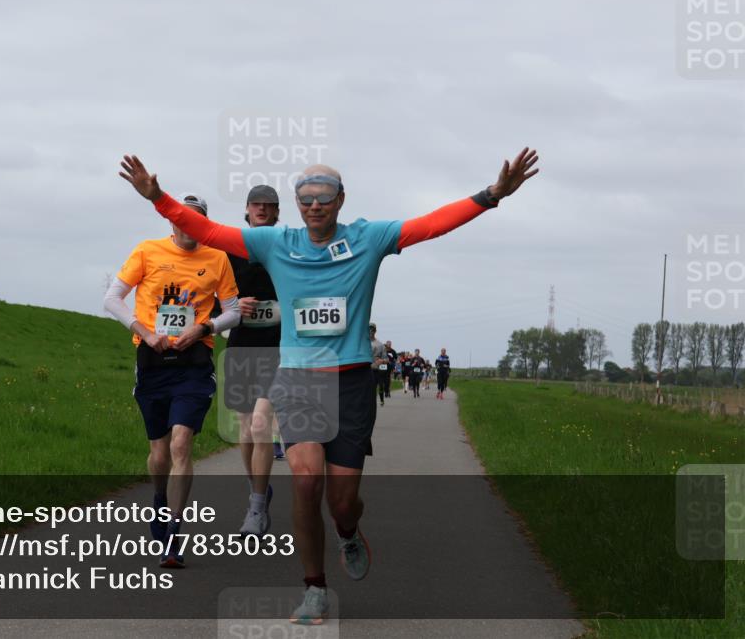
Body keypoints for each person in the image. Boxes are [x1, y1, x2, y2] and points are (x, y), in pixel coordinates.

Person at [118, 146, 540, 622]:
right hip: (298, 380)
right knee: (304, 481)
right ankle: (314, 587)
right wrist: (158, 198)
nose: (314, 204)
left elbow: (431, 224)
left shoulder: (371, 237)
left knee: (342, 502)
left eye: (324, 196)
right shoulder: (277, 242)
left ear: (341, 200)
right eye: (305, 197)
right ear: (297, 203)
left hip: (353, 380)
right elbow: (209, 231)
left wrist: (492, 195)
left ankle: (346, 530)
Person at [102, 194, 241, 568]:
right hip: (152, 360)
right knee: (160, 452)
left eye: (196, 221)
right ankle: (160, 499)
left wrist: (204, 326)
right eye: (182, 219)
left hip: (194, 363)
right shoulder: (148, 251)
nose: (188, 226)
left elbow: (233, 312)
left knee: (181, 445)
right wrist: (145, 333)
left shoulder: (218, 258)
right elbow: (113, 298)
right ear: (171, 222)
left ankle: (174, 534)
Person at [225, 184, 282, 536]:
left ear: (277, 213)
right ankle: (256, 490)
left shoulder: (286, 248)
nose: (262, 209)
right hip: (241, 345)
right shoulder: (230, 249)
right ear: (246, 210)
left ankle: (257, 509)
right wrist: (231, 308)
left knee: (261, 425)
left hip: (277, 347)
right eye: (256, 204)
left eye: (269, 205)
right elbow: (216, 298)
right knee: (245, 428)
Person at [370, 325, 388, 407]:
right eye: (369, 330)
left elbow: (387, 359)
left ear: (375, 331)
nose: (370, 332)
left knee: (380, 386)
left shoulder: (380, 345)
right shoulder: (362, 343)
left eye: (372, 330)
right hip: (365, 370)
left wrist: (382, 360)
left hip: (377, 370)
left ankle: (381, 400)